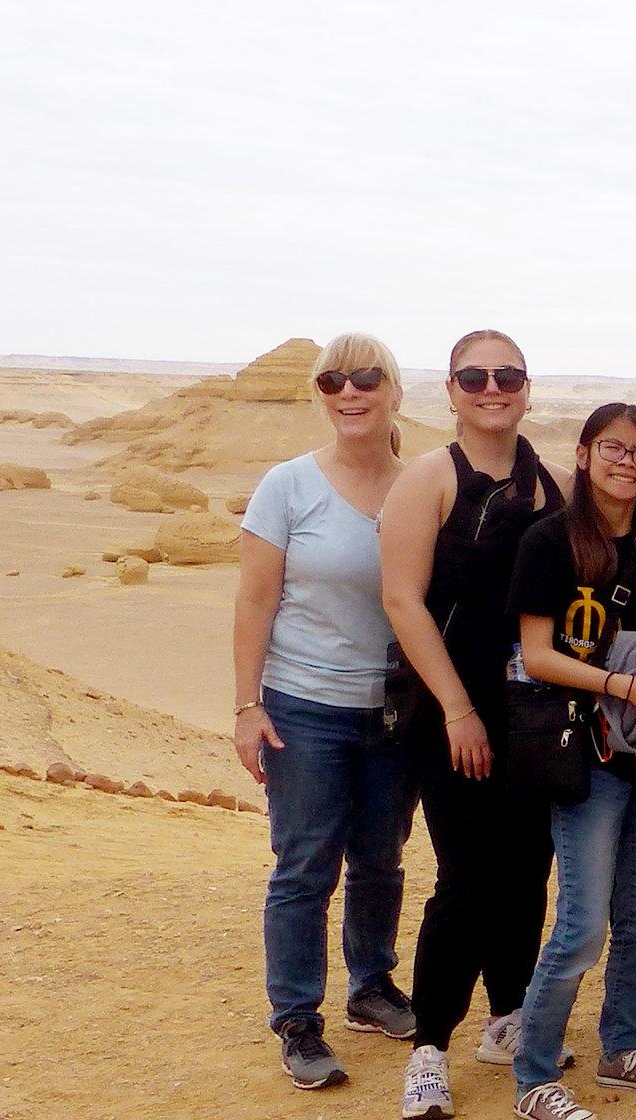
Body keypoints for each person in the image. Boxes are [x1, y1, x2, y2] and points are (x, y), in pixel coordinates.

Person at [507, 404, 636, 1120]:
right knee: (582, 925)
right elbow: (535, 656)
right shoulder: (550, 541)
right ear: (587, 454)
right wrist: (626, 685)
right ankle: (533, 1076)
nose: (627, 463)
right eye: (613, 448)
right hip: (587, 757)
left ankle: (622, 1047)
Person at [378, 330, 563, 1120]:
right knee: (466, 878)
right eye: (475, 376)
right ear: (450, 390)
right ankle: (429, 1049)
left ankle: (508, 1014)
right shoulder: (430, 477)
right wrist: (456, 707)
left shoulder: (549, 484)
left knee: (526, 873)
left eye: (509, 375)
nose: (494, 388)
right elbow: (401, 599)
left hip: (529, 714)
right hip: (447, 711)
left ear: (527, 387)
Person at [234, 333, 413, 1092]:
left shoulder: (418, 485)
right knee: (305, 865)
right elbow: (253, 599)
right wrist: (247, 705)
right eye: (333, 380)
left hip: (393, 711)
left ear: (392, 390)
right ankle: (298, 1019)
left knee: (381, 859)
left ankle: (370, 987)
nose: (349, 391)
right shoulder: (288, 485)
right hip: (304, 707)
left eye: (365, 377)